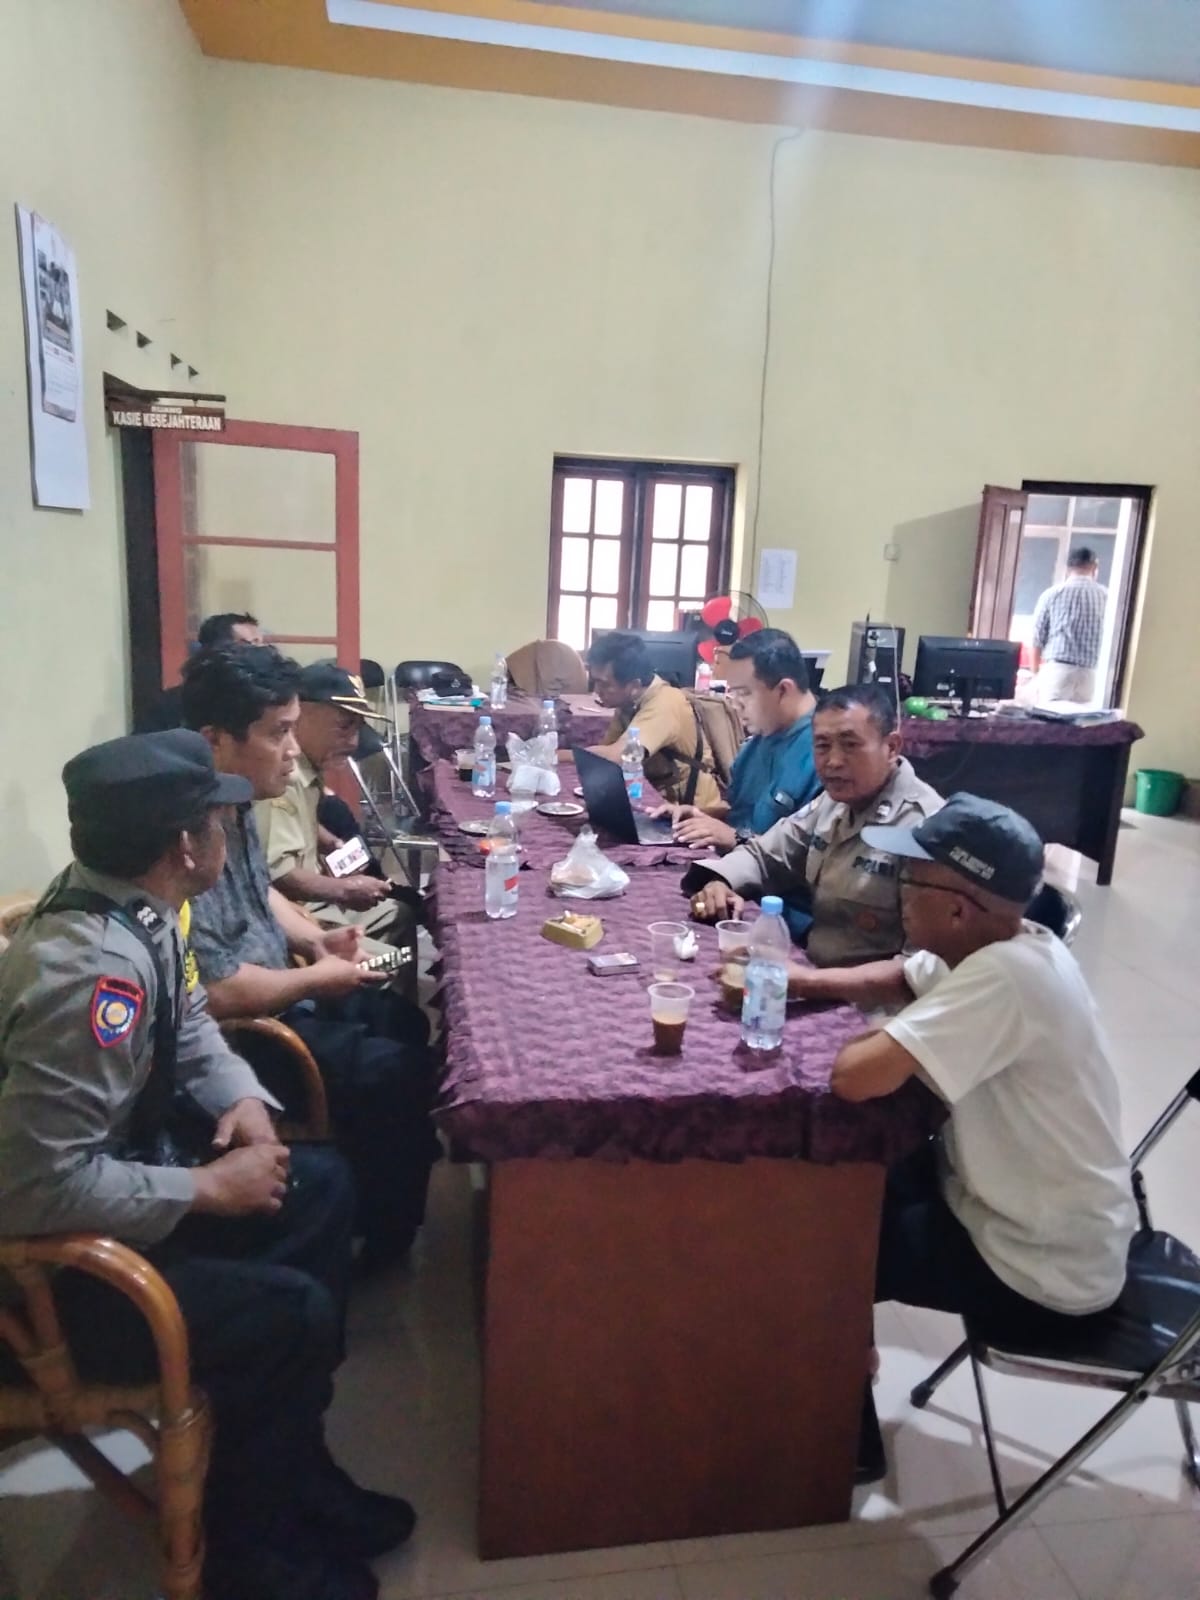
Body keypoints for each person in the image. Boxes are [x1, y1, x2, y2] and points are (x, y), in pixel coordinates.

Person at [0, 729, 414, 1600]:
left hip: (118, 1190)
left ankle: (292, 1473)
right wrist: (207, 1188)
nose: (229, 831)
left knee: (320, 1187)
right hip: (55, 1281)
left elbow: (189, 1022)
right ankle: (251, 1556)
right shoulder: (92, 979)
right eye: (216, 820)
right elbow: (34, 1189)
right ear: (186, 847)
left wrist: (245, 1101)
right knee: (288, 1314)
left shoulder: (127, 904)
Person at [827, 794, 1136, 1478]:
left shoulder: (1004, 978)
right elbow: (900, 975)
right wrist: (793, 980)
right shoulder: (1007, 943)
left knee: (825, 1239)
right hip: (1032, 1214)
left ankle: (840, 1438)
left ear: (958, 908)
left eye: (911, 879)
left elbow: (854, 1077)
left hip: (1039, 1269)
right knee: (851, 1184)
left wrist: (887, 1035)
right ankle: (846, 1367)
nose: (899, 891)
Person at [181, 644, 440, 1272]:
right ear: (215, 739)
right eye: (279, 733)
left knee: (404, 1023)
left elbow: (262, 889)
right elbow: (216, 992)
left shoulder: (234, 799)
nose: (293, 750)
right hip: (244, 1037)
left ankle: (384, 1172)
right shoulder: (186, 832)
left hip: (282, 987)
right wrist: (316, 978)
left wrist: (314, 943)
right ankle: (382, 1240)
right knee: (398, 1073)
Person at [685, 683, 942, 958]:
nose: (833, 761)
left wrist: (806, 979)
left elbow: (921, 967)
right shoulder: (833, 803)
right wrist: (721, 882)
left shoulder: (927, 829)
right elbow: (765, 856)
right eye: (822, 746)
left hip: (858, 986)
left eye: (850, 745)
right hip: (814, 967)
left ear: (891, 747)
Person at [254, 662, 405, 948]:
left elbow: (291, 825)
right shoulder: (284, 777)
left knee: (399, 913)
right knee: (383, 958)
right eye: (344, 726)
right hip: (294, 915)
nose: (353, 742)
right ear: (301, 715)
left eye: (358, 727)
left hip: (316, 901)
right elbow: (278, 875)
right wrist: (344, 890)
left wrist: (328, 842)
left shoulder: (308, 769)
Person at [655, 629, 819, 851]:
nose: (735, 705)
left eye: (744, 694)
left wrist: (736, 838)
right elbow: (742, 814)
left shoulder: (826, 754)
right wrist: (699, 816)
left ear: (783, 690)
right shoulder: (759, 741)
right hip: (734, 863)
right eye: (733, 693)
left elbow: (810, 855)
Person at [587, 630, 720, 809]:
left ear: (634, 685)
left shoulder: (665, 702)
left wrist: (559, 755)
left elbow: (617, 757)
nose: (597, 690)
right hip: (657, 797)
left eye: (604, 684)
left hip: (691, 809)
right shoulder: (628, 701)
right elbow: (607, 752)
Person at [139, 612, 267, 733]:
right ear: (217, 650)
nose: (261, 653)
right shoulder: (173, 703)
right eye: (249, 645)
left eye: (262, 645)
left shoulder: (267, 700)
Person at [1030, 546, 1107, 705]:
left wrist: (1036, 674)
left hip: (1057, 671)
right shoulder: (1105, 596)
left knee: (1050, 718)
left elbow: (1037, 639)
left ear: (1068, 568)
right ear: (1094, 567)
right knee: (1082, 719)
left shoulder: (1052, 594)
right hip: (1089, 674)